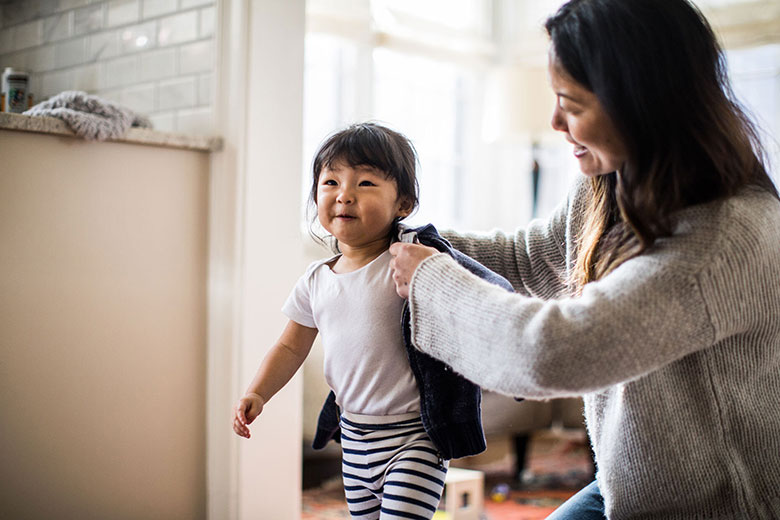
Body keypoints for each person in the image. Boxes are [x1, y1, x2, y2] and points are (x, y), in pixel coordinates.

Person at [388, 0, 780, 519]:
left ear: (638, 102)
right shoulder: (606, 187)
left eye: (570, 103)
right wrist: (407, 238)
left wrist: (429, 280)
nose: (554, 121)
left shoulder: (728, 237)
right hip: (629, 489)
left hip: (726, 506)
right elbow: (527, 259)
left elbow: (553, 352)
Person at [231, 122, 512, 520]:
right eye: (330, 182)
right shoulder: (316, 280)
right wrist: (258, 392)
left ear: (404, 204)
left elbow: (483, 289)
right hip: (354, 440)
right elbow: (290, 346)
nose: (344, 195)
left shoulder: (413, 258)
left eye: (365, 183)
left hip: (414, 436)